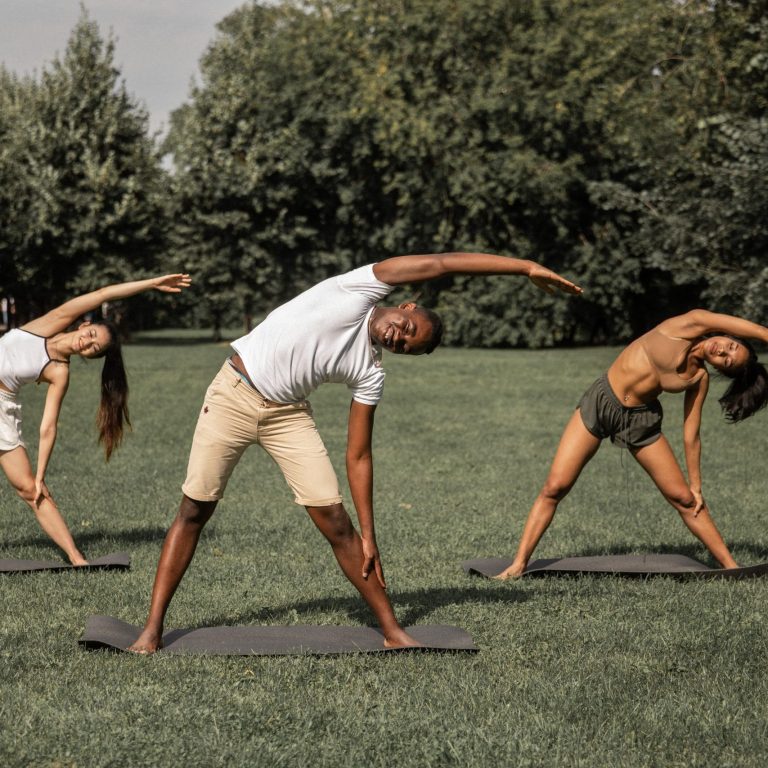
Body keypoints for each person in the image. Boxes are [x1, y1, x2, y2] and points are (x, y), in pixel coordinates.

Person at [127, 252, 582, 652]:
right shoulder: (359, 288)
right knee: (194, 510)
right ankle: (151, 630)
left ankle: (392, 631)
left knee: (339, 524)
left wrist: (370, 533)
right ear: (406, 306)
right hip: (232, 394)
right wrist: (524, 267)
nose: (398, 337)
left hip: (288, 416)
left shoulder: (370, 372)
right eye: (407, 328)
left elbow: (359, 454)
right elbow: (441, 263)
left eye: (406, 346)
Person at [496, 310, 768, 579]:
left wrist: (696, 486)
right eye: (731, 346)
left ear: (720, 369)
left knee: (685, 499)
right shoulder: (686, 326)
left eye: (727, 361)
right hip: (602, 402)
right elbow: (755, 330)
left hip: (639, 420)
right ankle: (518, 564)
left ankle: (731, 567)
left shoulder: (699, 377)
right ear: (729, 335)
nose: (723, 351)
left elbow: (691, 433)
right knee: (555, 487)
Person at [0, 274, 191, 565]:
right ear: (84, 325)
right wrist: (151, 284)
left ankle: (76, 558)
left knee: (30, 489)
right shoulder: (49, 323)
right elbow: (103, 294)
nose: (87, 343)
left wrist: (40, 475)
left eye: (94, 349)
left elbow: (48, 426)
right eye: (91, 335)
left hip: (2, 408)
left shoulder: (59, 372)